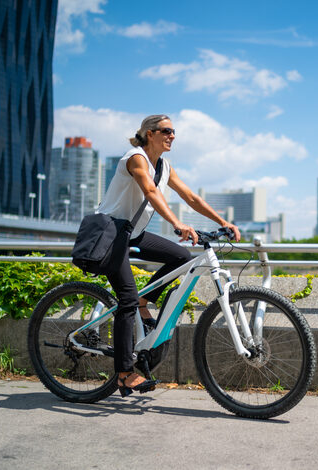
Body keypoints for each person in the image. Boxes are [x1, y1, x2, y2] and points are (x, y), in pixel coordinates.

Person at [96, 114, 241, 397]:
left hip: (132, 233)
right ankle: (125, 374)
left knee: (183, 257)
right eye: (167, 131)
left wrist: (222, 222)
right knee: (124, 300)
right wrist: (177, 223)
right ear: (150, 133)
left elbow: (191, 198)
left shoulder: (164, 166)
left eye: (174, 131)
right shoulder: (135, 158)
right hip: (111, 233)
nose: (172, 135)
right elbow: (149, 191)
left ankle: (144, 301)